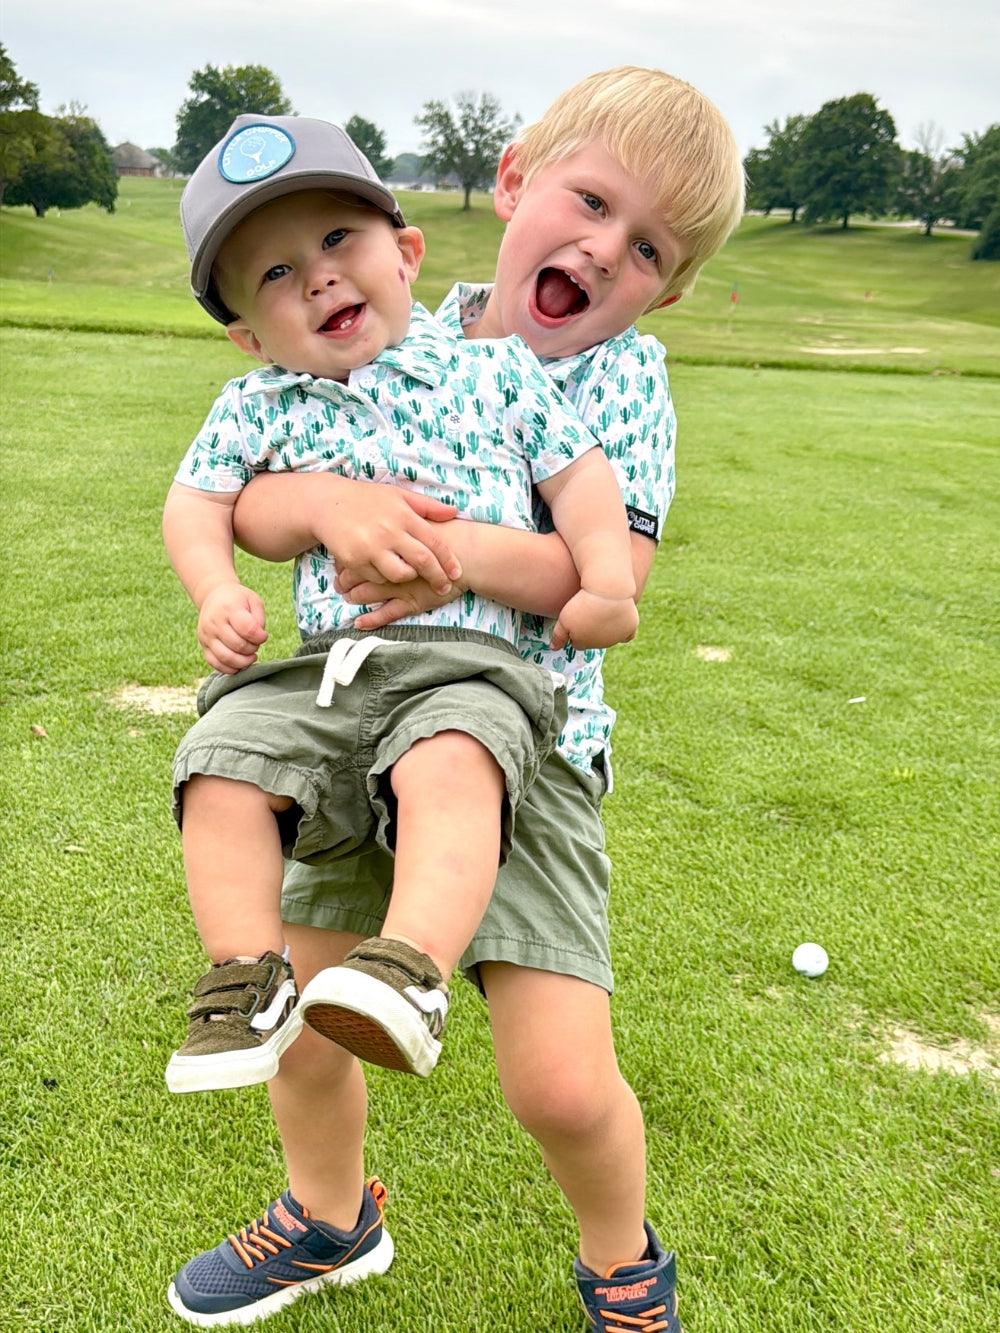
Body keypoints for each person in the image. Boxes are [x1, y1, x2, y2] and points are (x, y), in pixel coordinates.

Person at [167, 69, 744, 1331]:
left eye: (646, 247)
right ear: (513, 182)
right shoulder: (388, 317)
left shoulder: (619, 382)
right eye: (590, 202)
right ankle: (330, 1219)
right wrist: (323, 506)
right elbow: (250, 500)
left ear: (667, 286)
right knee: (313, 1018)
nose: (602, 250)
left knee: (557, 1084)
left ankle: (620, 1261)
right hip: (346, 712)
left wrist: (444, 546)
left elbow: (596, 579)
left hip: (519, 743)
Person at [162, 113, 639, 1097]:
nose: (320, 278)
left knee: (452, 756)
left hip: (471, 665)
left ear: (406, 252)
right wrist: (216, 588)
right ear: (251, 334)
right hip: (328, 672)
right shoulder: (258, 404)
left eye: (338, 241)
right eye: (277, 275)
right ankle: (246, 979)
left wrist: (603, 579)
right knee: (216, 758)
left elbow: (581, 475)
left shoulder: (495, 370)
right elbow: (198, 501)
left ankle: (406, 969)